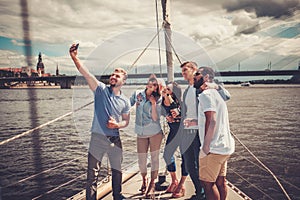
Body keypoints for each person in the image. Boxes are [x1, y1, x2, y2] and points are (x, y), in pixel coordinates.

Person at [69, 44, 130, 200]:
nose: (113, 77)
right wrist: (74, 57)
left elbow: (126, 122)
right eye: (113, 74)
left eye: (117, 76)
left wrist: (117, 125)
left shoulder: (125, 101)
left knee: (117, 170)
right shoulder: (100, 90)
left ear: (123, 81)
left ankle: (118, 196)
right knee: (92, 175)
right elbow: (86, 73)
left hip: (115, 139)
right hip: (97, 139)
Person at [179, 61, 230, 200]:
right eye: (182, 71)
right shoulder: (188, 90)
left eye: (187, 70)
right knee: (190, 165)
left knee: (206, 178)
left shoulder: (205, 91)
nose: (184, 73)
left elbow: (213, 116)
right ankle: (199, 192)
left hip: (202, 135)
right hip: (189, 131)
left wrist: (206, 146)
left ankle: (201, 194)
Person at [193, 66, 235, 200]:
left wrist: (205, 147)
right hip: (224, 146)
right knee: (220, 181)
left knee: (207, 184)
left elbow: (212, 121)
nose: (194, 78)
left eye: (197, 75)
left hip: (213, 148)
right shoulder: (218, 95)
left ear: (206, 78)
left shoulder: (206, 95)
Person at [130, 74, 163, 198]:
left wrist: (153, 104)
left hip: (155, 132)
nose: (151, 85)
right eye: (150, 82)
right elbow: (128, 105)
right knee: (141, 160)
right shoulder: (138, 94)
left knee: (154, 159)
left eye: (155, 84)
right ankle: (144, 179)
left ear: (156, 87)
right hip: (141, 132)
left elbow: (155, 118)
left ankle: (152, 185)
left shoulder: (158, 98)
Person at [161, 82, 188, 198]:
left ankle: (181, 185)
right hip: (173, 132)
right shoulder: (164, 100)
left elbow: (190, 115)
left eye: (168, 89)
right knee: (167, 155)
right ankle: (174, 180)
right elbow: (167, 105)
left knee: (185, 158)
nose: (165, 90)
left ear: (174, 91)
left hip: (185, 132)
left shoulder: (183, 102)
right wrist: (167, 116)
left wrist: (180, 115)